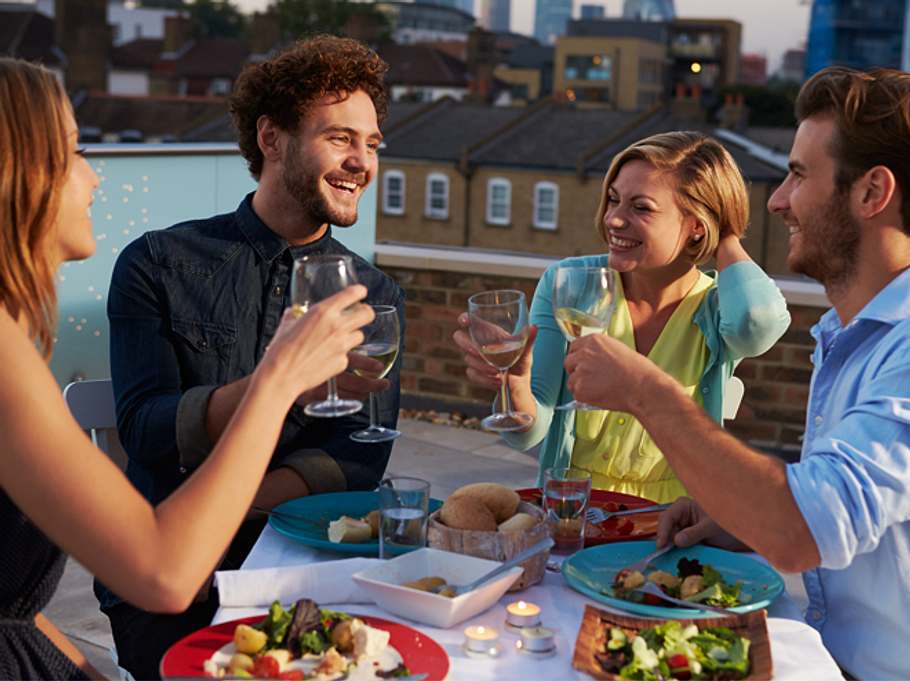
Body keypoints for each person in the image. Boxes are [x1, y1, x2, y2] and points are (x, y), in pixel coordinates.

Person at [0, 57, 372, 680]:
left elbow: (13, 608)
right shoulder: (147, 269)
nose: (94, 178)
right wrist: (277, 379)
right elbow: (167, 573)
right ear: (16, 177)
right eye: (73, 152)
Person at [565, 66, 910, 680]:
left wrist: (649, 392)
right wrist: (740, 521)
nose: (777, 200)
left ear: (871, 193)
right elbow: (848, 517)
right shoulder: (850, 335)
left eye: (800, 175)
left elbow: (804, 529)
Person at [99, 36, 405, 679]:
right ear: (272, 139)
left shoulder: (373, 294)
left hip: (309, 569)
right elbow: (148, 430)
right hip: (174, 582)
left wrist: (234, 504)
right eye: (341, 138)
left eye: (371, 143)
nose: (362, 162)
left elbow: (359, 453)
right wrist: (278, 380)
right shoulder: (158, 263)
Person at [454, 131, 790, 503]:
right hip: (575, 511)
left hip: (673, 517)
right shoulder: (571, 284)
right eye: (613, 200)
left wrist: (725, 234)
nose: (613, 219)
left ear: (696, 223)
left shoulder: (716, 308)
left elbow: (756, 323)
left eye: (641, 207)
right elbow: (528, 433)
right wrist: (515, 384)